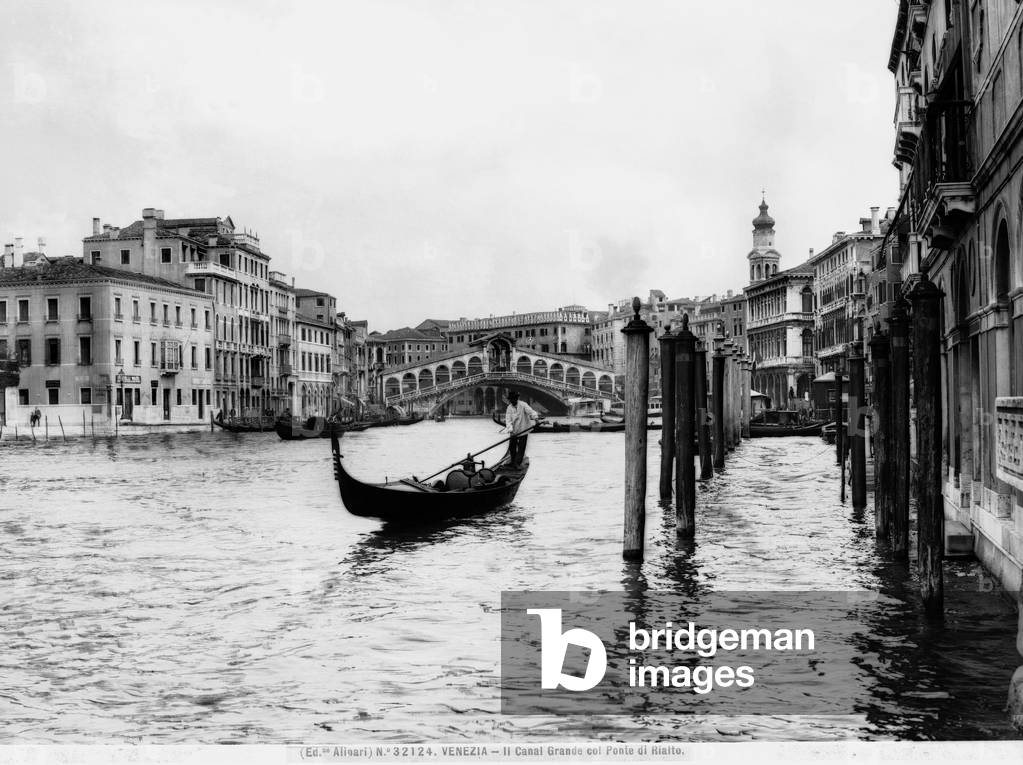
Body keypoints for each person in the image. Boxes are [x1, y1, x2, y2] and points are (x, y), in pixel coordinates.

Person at [503, 391, 540, 468]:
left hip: (523, 429)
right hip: (513, 430)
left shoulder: (523, 405)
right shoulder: (509, 408)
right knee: (512, 447)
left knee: (521, 448)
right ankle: (513, 461)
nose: (512, 401)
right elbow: (508, 420)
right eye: (511, 400)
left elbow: (531, 412)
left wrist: (536, 419)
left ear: (516, 399)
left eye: (513, 399)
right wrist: (510, 430)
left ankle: (517, 463)